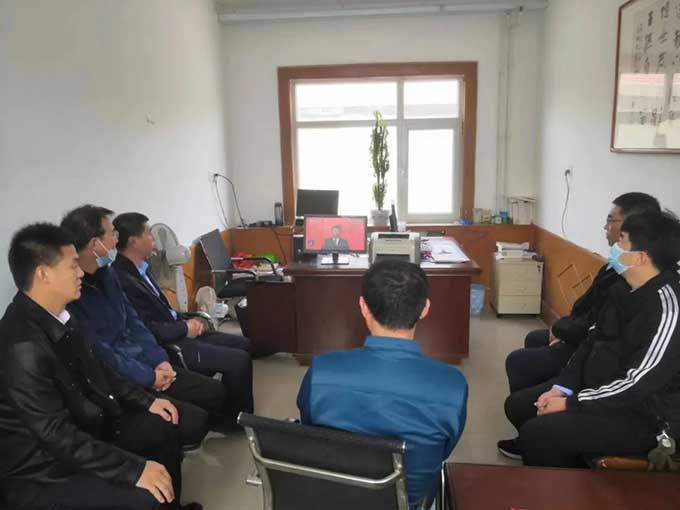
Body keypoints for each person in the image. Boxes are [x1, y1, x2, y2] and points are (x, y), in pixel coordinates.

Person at [0, 223, 196, 510]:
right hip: (45, 470)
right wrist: (133, 469)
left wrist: (147, 400)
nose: (81, 273)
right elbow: (55, 434)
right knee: (145, 497)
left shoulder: (62, 316)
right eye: (72, 266)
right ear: (43, 274)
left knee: (163, 426)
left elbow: (99, 368)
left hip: (85, 426)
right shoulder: (22, 346)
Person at [504, 211, 680, 468]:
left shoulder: (668, 309)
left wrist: (571, 404)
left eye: (622, 241)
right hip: (601, 391)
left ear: (640, 257)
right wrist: (562, 388)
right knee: (519, 406)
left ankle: (568, 482)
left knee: (538, 434)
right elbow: (590, 341)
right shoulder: (624, 289)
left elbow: (637, 383)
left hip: (644, 415)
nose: (615, 247)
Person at [296, 259, 468, 509]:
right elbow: (441, 451)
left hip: (332, 498)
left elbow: (311, 430)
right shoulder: (452, 387)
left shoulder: (321, 371)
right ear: (425, 309)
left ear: (363, 306)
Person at [60, 205, 227, 444]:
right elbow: (103, 355)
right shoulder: (73, 295)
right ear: (95, 243)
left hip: (145, 362)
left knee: (213, 392)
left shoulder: (108, 274)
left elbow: (135, 323)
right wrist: (149, 377)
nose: (116, 240)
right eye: (112, 234)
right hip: (122, 379)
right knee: (191, 421)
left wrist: (159, 361)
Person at [112, 212, 254, 427]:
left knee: (244, 344)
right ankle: (233, 422)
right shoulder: (122, 278)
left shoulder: (141, 269)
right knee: (238, 360)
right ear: (134, 241)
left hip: (178, 327)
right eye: (148, 234)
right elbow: (146, 328)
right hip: (170, 342)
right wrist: (183, 328)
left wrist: (185, 322)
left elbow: (162, 310)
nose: (153, 238)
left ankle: (232, 409)